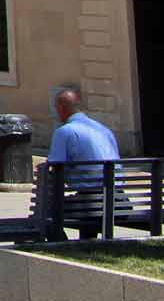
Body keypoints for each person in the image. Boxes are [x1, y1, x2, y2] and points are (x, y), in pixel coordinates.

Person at [46, 87, 122, 240]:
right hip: (119, 202)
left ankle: (63, 248)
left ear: (61, 107)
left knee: (46, 212)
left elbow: (56, 170)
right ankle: (87, 244)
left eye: (56, 107)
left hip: (90, 203)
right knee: (83, 200)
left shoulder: (64, 132)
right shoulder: (104, 130)